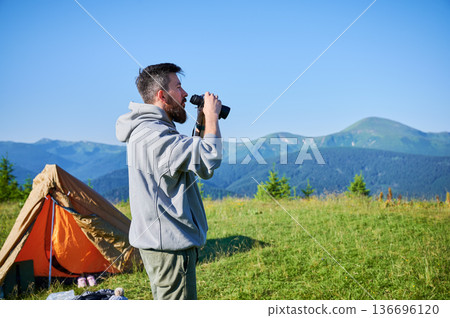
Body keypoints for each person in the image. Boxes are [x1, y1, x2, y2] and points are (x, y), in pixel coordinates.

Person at [115, 63, 222, 300]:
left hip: (163, 243)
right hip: (169, 246)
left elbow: (194, 164)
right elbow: (208, 158)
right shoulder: (155, 135)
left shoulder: (151, 130)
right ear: (162, 95)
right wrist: (214, 116)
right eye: (179, 87)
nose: (185, 94)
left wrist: (202, 122)